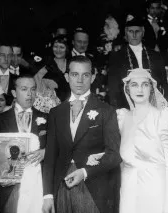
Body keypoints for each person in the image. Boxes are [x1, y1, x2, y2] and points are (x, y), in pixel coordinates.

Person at [91, 68, 168, 213]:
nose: (140, 89)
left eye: (145, 84)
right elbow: (125, 152)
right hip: (128, 189)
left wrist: (167, 205)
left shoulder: (163, 118)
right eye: (134, 85)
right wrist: (101, 156)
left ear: (151, 89)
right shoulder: (122, 117)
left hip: (154, 189)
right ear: (127, 89)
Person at [42, 56, 121, 213]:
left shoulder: (106, 111)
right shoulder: (56, 113)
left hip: (93, 187)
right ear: (67, 77)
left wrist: (85, 172)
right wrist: (48, 195)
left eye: (85, 75)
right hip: (61, 186)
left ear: (92, 78)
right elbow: (50, 156)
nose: (79, 80)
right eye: (74, 74)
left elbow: (114, 155)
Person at [0, 73, 48, 213]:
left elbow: (58, 149)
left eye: (33, 89)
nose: (30, 94)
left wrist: (46, 151)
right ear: (14, 92)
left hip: (38, 187)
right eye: (24, 89)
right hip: (8, 189)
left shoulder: (48, 119)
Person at [108, 16, 167, 108]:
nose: (134, 35)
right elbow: (113, 87)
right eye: (131, 32)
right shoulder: (117, 56)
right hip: (126, 102)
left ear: (143, 33)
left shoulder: (155, 55)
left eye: (137, 31)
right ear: (126, 34)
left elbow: (163, 83)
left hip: (153, 101)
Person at [33, 35, 70, 114]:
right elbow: (36, 81)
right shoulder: (46, 64)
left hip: (70, 104)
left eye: (61, 47)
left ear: (66, 49)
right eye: (55, 46)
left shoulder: (71, 64)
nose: (58, 50)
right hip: (51, 106)